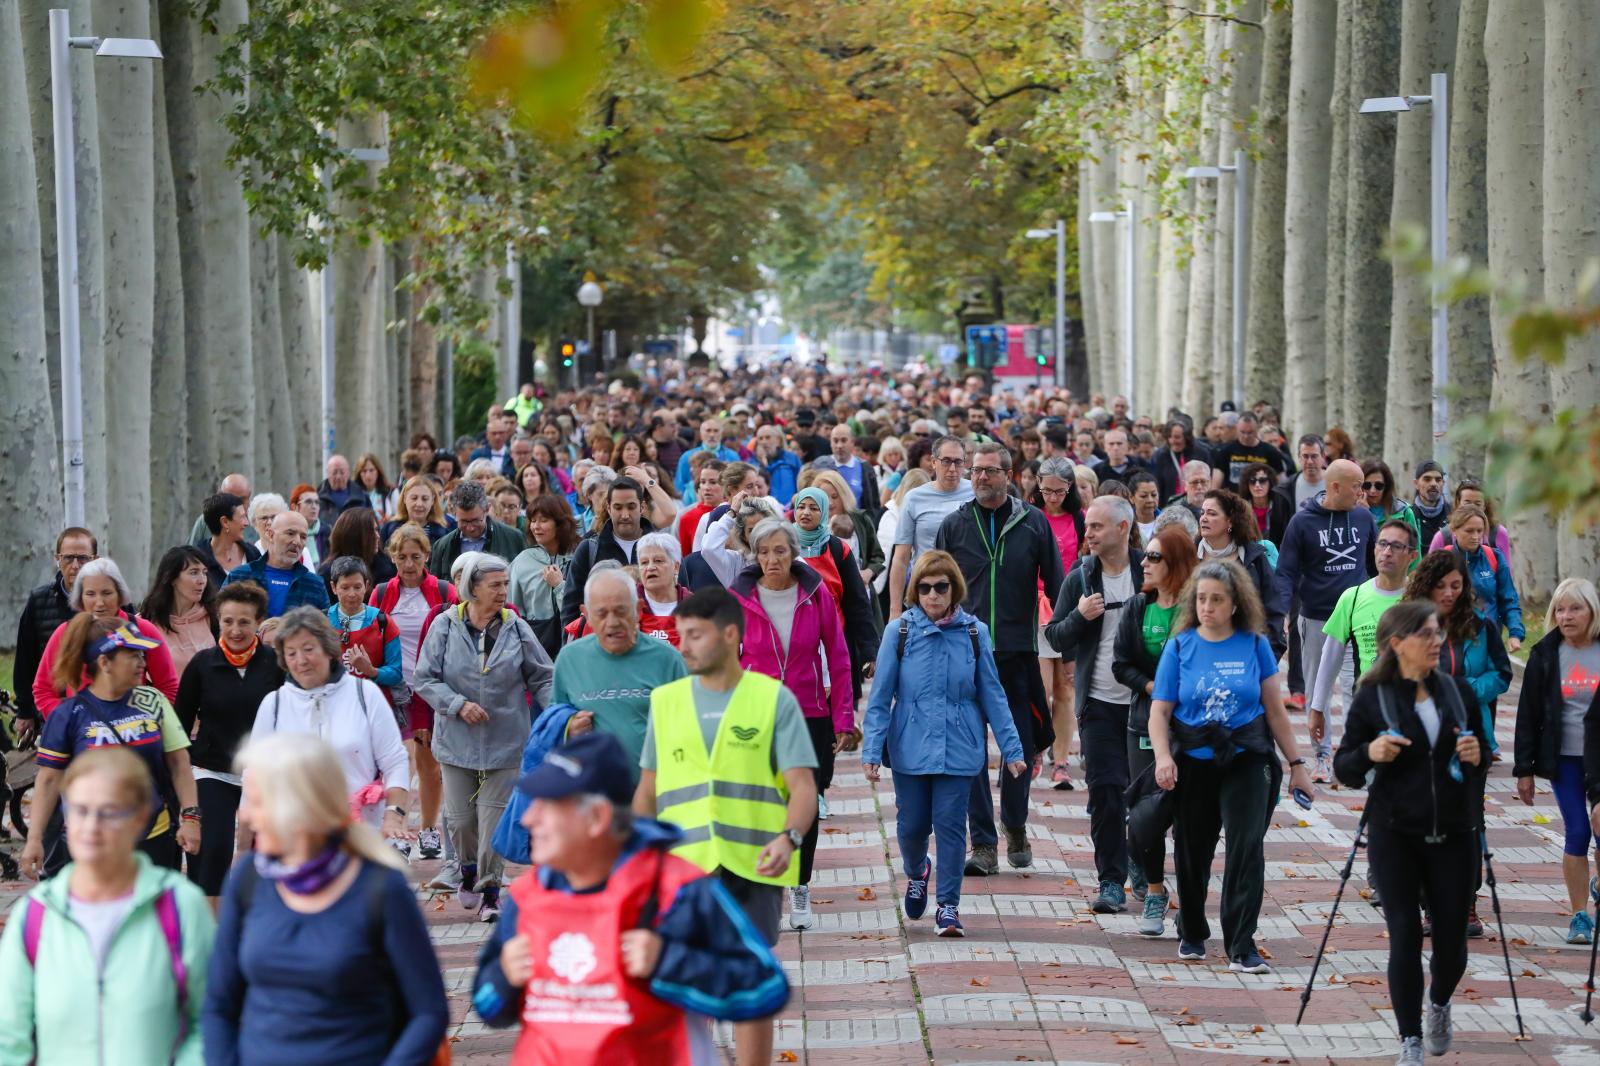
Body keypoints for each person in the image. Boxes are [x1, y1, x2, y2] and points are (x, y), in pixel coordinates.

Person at [471, 731, 789, 1065]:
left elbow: (767, 989)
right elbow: (487, 1007)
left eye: (547, 806)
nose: (527, 819)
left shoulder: (677, 890)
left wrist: (669, 963)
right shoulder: (529, 894)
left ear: (597, 818)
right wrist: (504, 977)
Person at [634, 587, 818, 1066]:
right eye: (681, 636)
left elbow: (802, 788)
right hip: (683, 872)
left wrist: (789, 838)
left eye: (695, 635)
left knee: (748, 982)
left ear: (731, 635)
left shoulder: (773, 699)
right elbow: (647, 792)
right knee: (686, 983)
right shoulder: (665, 702)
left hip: (752, 865)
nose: (684, 646)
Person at [203, 734, 448, 1066]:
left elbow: (428, 1012)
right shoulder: (250, 879)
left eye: (258, 802)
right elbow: (219, 1004)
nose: (247, 817)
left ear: (300, 805)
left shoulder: (380, 888)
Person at [1333, 603, 1487, 1064]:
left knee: (1452, 940)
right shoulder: (1374, 697)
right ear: (1398, 643)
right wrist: (1370, 752)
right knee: (1403, 933)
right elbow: (1345, 768)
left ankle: (1439, 1000)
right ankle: (1410, 1040)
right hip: (1394, 833)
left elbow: (1480, 766)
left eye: (1439, 633)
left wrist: (1477, 757)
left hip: (1454, 833)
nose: (1437, 641)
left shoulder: (1458, 692)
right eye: (1426, 634)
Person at [1148, 560, 1315, 974]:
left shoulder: (1255, 645)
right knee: (1192, 849)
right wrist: (1163, 757)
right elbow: (1160, 711)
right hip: (1194, 760)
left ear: (1236, 604)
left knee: (1245, 848)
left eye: (1217, 600)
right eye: (1201, 599)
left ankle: (1242, 943)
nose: (1207, 607)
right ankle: (1191, 928)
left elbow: (1275, 712)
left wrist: (1297, 764)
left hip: (1246, 756)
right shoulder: (1180, 645)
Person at [0, 747, 214, 1066]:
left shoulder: (180, 907)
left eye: (110, 811)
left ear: (141, 817)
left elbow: (210, 1020)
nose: (91, 826)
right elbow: (10, 1037)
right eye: (80, 810)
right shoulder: (35, 915)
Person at [862, 550, 1024, 936]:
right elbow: (881, 696)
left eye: (941, 587)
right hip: (910, 746)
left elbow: (992, 694)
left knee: (951, 827)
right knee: (912, 826)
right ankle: (917, 871)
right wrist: (871, 751)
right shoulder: (899, 632)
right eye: (925, 587)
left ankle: (948, 907)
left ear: (955, 589)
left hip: (960, 746)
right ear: (915, 591)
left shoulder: (974, 633)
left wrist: (1013, 750)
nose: (933, 595)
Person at [934, 443, 1063, 871]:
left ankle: (1016, 824)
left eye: (989, 471)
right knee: (970, 749)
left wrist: (1064, 639)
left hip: (1017, 654)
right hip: (965, 653)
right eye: (976, 471)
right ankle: (984, 843)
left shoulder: (1034, 523)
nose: (980, 478)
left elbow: (1058, 584)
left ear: (1009, 475)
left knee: (1019, 747)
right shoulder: (954, 524)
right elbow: (936, 584)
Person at [414, 553, 555, 920]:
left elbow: (542, 676)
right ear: (471, 589)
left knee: (493, 821)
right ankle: (467, 870)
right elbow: (424, 678)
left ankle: (491, 891)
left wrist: (557, 714)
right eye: (495, 585)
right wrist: (458, 704)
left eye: (505, 584)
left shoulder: (516, 626)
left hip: (507, 740)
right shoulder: (445, 626)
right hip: (456, 740)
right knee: (460, 821)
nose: (503, 592)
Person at [728, 519, 853, 930]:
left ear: (793, 553)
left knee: (807, 802)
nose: (772, 559)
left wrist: (844, 718)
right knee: (761, 802)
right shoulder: (740, 598)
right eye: (764, 552)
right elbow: (726, 661)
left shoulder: (815, 594)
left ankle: (800, 884)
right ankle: (765, 889)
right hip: (756, 714)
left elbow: (838, 654)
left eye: (780, 551)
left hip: (809, 711)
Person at [20, 617, 201, 879]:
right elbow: (48, 780)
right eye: (133, 655)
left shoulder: (153, 701)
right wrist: (34, 839)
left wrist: (191, 818)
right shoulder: (69, 714)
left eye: (142, 655)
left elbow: (179, 764)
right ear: (104, 662)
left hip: (153, 837)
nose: (142, 662)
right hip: (90, 843)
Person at [1044, 496, 1143, 911]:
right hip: (1099, 701)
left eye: (1098, 527)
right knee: (1105, 791)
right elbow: (1053, 636)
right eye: (1088, 528)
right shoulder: (1081, 577)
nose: (1089, 534)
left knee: (1146, 794)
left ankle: (1143, 865)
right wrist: (1080, 616)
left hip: (1147, 703)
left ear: (1123, 528)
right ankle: (1111, 881)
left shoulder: (1148, 570)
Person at [248, 607, 411, 850]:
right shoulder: (275, 704)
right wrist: (247, 841)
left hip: (361, 835)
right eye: (291, 653)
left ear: (328, 649)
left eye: (308, 649)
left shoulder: (364, 694)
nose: (300, 661)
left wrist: (394, 813)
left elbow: (395, 760)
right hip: (296, 839)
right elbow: (254, 774)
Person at [175, 581, 285, 904]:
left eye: (244, 622)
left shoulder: (275, 664)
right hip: (214, 770)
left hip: (264, 774)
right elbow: (179, 726)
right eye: (228, 621)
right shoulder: (202, 665)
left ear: (258, 622)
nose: (235, 630)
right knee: (214, 851)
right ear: (217, 621)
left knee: (269, 855)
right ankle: (207, 929)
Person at [1112, 523, 1197, 931]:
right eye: (1144, 555)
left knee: (1189, 817)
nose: (1144, 563)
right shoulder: (1137, 607)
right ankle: (1155, 893)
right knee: (1145, 813)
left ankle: (1191, 901)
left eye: (1154, 557)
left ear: (1176, 563)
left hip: (1191, 727)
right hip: (1143, 722)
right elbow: (1120, 664)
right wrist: (1154, 688)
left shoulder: (1197, 610)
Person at [1275, 459, 1374, 781]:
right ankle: (1321, 757)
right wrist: (1281, 615)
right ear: (1335, 487)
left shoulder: (1363, 517)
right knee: (1319, 690)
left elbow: (1374, 566)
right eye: (1357, 485)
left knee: (1353, 685)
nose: (1363, 492)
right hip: (1316, 618)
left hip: (1358, 618)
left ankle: (1352, 756)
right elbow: (1286, 572)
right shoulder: (1302, 522)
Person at [1513, 578, 1600, 943]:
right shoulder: (1546, 653)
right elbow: (1528, 713)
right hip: (1563, 758)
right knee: (1578, 832)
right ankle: (1579, 915)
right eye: (1560, 609)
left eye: (1575, 608)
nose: (1566, 616)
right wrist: (1524, 770)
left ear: (1592, 612)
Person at [370, 524, 459, 862]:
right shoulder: (381, 593)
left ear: (427, 556)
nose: (408, 564)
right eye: (402, 557)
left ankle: (428, 831)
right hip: (392, 685)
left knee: (428, 764)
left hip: (430, 686)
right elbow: (372, 634)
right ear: (392, 557)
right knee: (394, 762)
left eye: (415, 557)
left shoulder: (442, 590)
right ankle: (397, 830)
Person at [553, 565, 688, 773]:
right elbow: (552, 722)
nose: (612, 622)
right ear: (586, 615)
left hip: (656, 794)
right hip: (591, 796)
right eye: (601, 613)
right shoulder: (569, 660)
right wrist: (568, 727)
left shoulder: (667, 659)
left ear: (638, 610)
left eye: (621, 611)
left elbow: (688, 729)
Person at [1308, 520, 1418, 756]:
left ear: (1412, 556)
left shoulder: (1421, 600)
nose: (1387, 552)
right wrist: (1317, 708)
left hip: (1413, 709)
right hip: (1369, 709)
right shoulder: (1353, 597)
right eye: (1383, 544)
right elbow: (1330, 657)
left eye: (1397, 547)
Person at [32, 557, 180, 717]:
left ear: (120, 594)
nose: (99, 602)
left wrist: (148, 723)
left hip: (135, 732)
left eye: (107, 593)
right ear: (80, 597)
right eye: (90, 594)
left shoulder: (143, 629)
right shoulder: (66, 632)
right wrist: (68, 722)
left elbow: (169, 686)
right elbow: (43, 690)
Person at [1406, 550, 1512, 765]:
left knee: (1470, 797)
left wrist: (1467, 690)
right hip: (1419, 733)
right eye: (1440, 586)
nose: (1449, 593)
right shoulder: (1407, 624)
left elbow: (1502, 674)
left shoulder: (1481, 625)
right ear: (1427, 586)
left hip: (1471, 734)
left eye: (1456, 586)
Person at [790, 486, 880, 698]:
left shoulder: (838, 549)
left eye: (813, 508)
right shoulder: (785, 544)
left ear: (824, 512)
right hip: (794, 644)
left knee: (836, 708)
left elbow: (857, 603)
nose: (805, 513)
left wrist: (869, 649)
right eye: (801, 507)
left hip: (835, 642)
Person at [12, 526, 97, 735]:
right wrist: (25, 712)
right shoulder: (39, 600)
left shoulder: (113, 601)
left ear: (95, 559)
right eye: (68, 558)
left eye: (83, 558)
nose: (76, 566)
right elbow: (25, 659)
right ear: (57, 559)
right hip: (52, 711)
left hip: (102, 710)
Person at [1032, 457, 1085, 789]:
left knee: (1067, 687)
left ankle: (1062, 759)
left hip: (1069, 606)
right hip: (1035, 606)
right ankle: (1036, 749)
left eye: (1059, 491)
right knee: (1042, 688)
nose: (1052, 497)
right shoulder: (1029, 515)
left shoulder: (1079, 519)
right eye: (1046, 490)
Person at [888, 436, 975, 618]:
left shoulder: (975, 493)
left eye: (958, 462)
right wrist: (895, 610)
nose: (952, 469)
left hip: (968, 591)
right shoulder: (914, 498)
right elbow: (901, 557)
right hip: (928, 591)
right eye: (946, 461)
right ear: (934, 462)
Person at [1196, 490, 1287, 656]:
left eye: (1212, 513)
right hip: (1200, 653)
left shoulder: (1255, 557)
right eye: (1202, 513)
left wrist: (1271, 656)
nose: (1203, 518)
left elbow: (1272, 609)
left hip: (1246, 652)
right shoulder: (1189, 555)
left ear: (1230, 521)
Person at [560, 476, 655, 626]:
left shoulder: (660, 549)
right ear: (608, 508)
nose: (625, 515)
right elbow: (570, 609)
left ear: (642, 507)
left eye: (631, 507)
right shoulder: (589, 549)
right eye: (618, 507)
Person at [223, 510, 330, 627]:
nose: (297, 542)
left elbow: (325, 631)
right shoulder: (240, 576)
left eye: (303, 537)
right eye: (290, 533)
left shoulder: (314, 584)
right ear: (270, 534)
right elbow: (220, 617)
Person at [508, 493, 579, 658]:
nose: (536, 527)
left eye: (543, 520)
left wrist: (560, 586)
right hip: (535, 646)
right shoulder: (522, 561)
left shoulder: (579, 556)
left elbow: (582, 610)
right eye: (533, 520)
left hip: (574, 642)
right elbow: (513, 611)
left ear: (560, 523)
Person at [1446, 503, 1524, 653]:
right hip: (1453, 644)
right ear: (1454, 530)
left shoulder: (1494, 557)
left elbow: (1509, 599)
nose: (1475, 537)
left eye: (1479, 531)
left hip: (1489, 642)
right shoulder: (1443, 558)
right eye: (1469, 531)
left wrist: (1515, 633)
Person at [142, 544, 219, 680]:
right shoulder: (146, 623)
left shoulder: (215, 617)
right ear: (172, 578)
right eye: (194, 572)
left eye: (204, 573)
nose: (202, 581)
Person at [428, 478, 526, 580]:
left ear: (487, 509)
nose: (470, 528)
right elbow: (436, 589)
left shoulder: (514, 538)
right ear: (453, 512)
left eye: (475, 521)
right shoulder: (442, 547)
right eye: (464, 521)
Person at [1427, 478, 1513, 563]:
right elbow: (1430, 573)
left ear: (1484, 506)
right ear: (1458, 503)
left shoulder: (1499, 533)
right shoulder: (1443, 537)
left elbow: (1506, 573)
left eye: (1477, 504)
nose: (1472, 508)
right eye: (1467, 503)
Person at [196, 493, 259, 589]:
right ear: (225, 522)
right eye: (242, 517)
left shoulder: (254, 555)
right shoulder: (197, 560)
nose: (246, 523)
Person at [636, 532, 690, 644]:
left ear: (676, 567)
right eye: (644, 562)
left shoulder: (694, 605)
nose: (650, 567)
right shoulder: (627, 605)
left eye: (658, 561)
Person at [674, 417, 741, 501]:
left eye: (716, 431)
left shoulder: (732, 456)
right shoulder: (687, 456)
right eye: (708, 430)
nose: (712, 434)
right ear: (701, 435)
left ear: (721, 434)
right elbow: (680, 486)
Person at [1212, 412, 1285, 490]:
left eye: (1250, 432)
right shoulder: (1225, 451)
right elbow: (1215, 485)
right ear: (1236, 428)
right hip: (1233, 499)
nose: (1246, 436)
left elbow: (1281, 483)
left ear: (1257, 429)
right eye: (1242, 432)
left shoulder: (1270, 452)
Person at [826, 420, 882, 518]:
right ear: (830, 442)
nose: (839, 446)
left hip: (857, 528)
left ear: (852, 442)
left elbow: (874, 504)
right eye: (835, 441)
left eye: (844, 440)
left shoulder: (865, 468)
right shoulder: (822, 466)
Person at [1361, 460, 1422, 550]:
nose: (1372, 491)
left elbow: (1414, 552)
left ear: (1387, 486)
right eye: (1367, 485)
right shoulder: (1351, 512)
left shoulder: (1404, 512)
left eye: (1379, 486)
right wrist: (1361, 514)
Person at [379, 474, 452, 548]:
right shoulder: (388, 530)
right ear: (404, 498)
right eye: (414, 498)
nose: (419, 504)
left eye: (425, 499)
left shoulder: (445, 533)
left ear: (432, 500)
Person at [187, 473, 256, 548]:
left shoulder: (257, 520)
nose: (245, 505)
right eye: (238, 501)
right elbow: (190, 554)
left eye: (246, 498)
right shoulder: (207, 520)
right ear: (222, 497)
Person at [675, 460, 726, 557]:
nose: (707, 487)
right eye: (703, 482)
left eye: (713, 482)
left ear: (726, 485)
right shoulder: (687, 517)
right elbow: (686, 558)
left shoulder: (733, 512)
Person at [1152, 421, 1208, 504]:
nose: (1172, 441)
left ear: (1186, 437)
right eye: (1169, 437)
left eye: (1177, 437)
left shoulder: (1201, 453)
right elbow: (1158, 484)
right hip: (1169, 505)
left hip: (1197, 504)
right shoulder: (1161, 456)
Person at [1243, 465, 1293, 547]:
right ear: (1246, 484)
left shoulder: (1280, 506)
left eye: (1262, 480)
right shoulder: (1241, 508)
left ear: (1270, 483)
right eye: (1252, 481)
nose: (1257, 485)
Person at [1411, 460, 1452, 549]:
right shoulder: (1408, 516)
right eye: (1427, 479)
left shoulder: (1454, 515)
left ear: (1443, 484)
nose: (1433, 484)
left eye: (1438, 480)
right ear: (1416, 484)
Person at [289, 484, 327, 571]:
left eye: (317, 502)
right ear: (294, 507)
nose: (314, 506)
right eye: (308, 502)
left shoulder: (327, 532)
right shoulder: (286, 533)